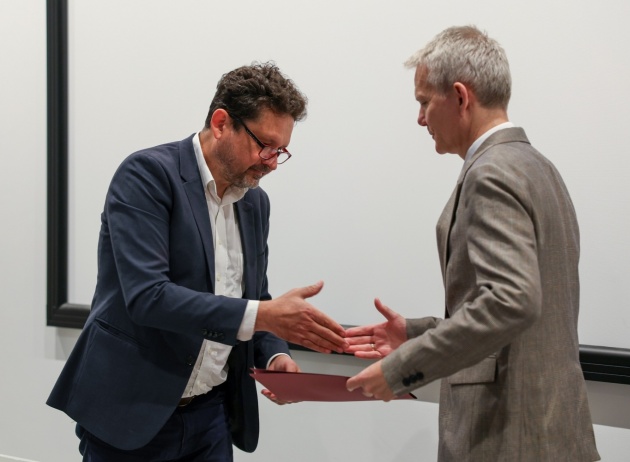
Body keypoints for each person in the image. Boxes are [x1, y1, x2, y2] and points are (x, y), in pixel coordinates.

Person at [47, 62, 348, 462]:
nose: (272, 162)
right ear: (221, 123)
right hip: (133, 412)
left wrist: (276, 355)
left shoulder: (254, 203)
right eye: (265, 145)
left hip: (212, 416)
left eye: (281, 151)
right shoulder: (147, 176)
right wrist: (264, 316)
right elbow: (149, 297)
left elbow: (254, 298)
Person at [345, 26, 600, 461]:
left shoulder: (491, 173)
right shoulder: (539, 167)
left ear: (461, 97)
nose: (420, 119)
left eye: (424, 102)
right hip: (554, 431)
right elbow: (523, 312)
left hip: (507, 439)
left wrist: (402, 368)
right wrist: (415, 333)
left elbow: (512, 301)